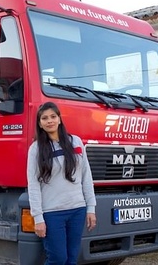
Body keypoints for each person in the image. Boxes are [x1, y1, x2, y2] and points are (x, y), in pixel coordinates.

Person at [27, 101, 96, 265]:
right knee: (58, 259)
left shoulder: (76, 143)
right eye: (44, 118)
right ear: (40, 124)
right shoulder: (36, 149)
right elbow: (33, 184)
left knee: (72, 259)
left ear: (59, 119)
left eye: (53, 116)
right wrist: (38, 218)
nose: (49, 120)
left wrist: (91, 208)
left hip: (77, 210)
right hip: (52, 213)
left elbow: (86, 177)